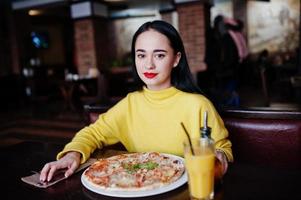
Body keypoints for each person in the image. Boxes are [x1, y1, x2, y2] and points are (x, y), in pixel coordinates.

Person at [40, 20, 233, 183]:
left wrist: (220, 156)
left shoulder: (198, 105)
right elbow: (92, 133)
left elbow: (221, 147)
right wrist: (72, 154)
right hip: (138, 188)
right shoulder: (130, 104)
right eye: (141, 55)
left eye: (159, 55)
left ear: (176, 59)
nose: (148, 64)